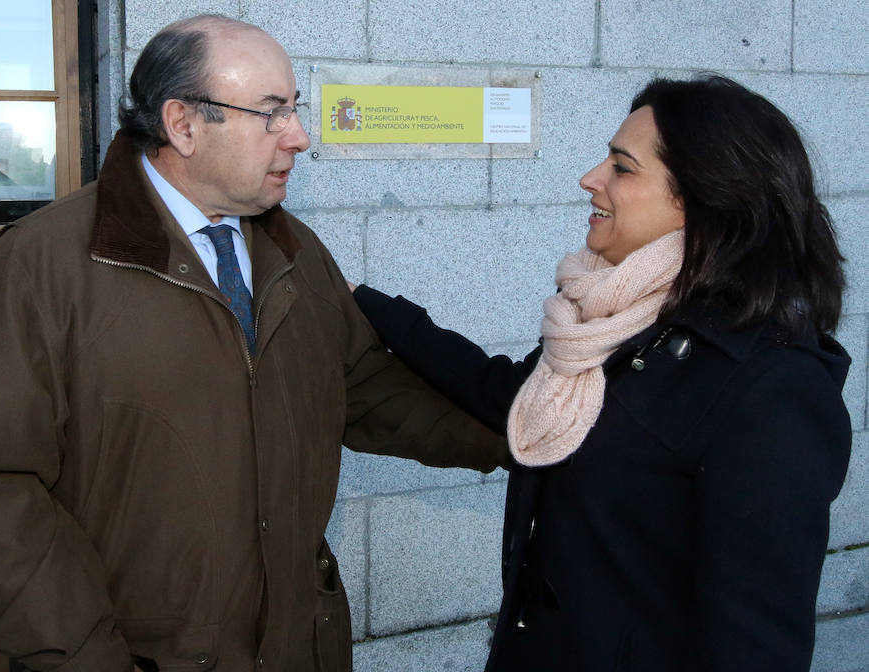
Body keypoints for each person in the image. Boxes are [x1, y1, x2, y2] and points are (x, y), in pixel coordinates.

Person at [0, 14, 508, 672]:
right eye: (271, 113)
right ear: (183, 124)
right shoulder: (44, 266)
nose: (300, 137)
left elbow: (367, 390)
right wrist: (85, 654)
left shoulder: (295, 253)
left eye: (295, 109)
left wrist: (526, 436)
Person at [350, 75, 852, 671]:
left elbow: (755, 644)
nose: (591, 178)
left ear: (701, 194)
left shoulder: (775, 388)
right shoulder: (610, 325)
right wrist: (364, 302)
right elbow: (508, 393)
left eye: (622, 166)